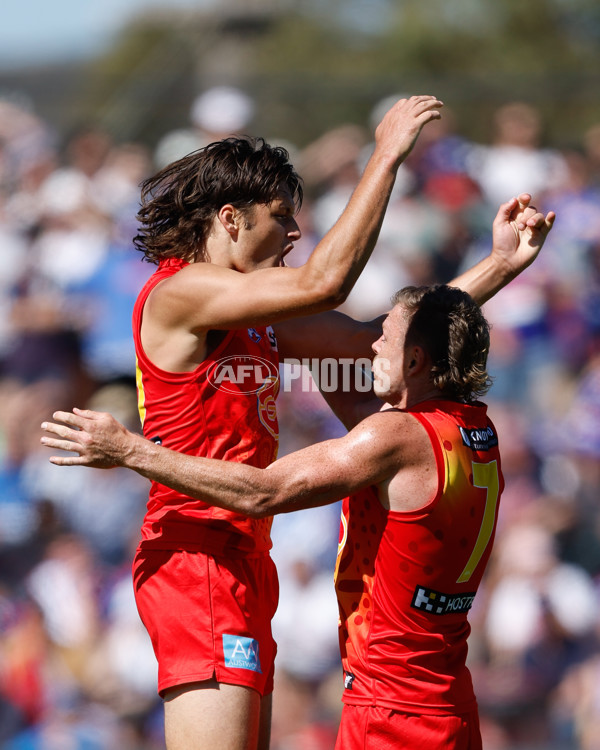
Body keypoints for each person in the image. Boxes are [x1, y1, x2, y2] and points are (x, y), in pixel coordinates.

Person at [42, 93, 554, 749]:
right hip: (195, 551)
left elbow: (381, 335)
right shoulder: (183, 291)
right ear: (230, 219)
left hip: (247, 553)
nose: (293, 233)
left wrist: (500, 265)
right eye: (281, 217)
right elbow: (327, 281)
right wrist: (386, 158)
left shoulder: (263, 315)